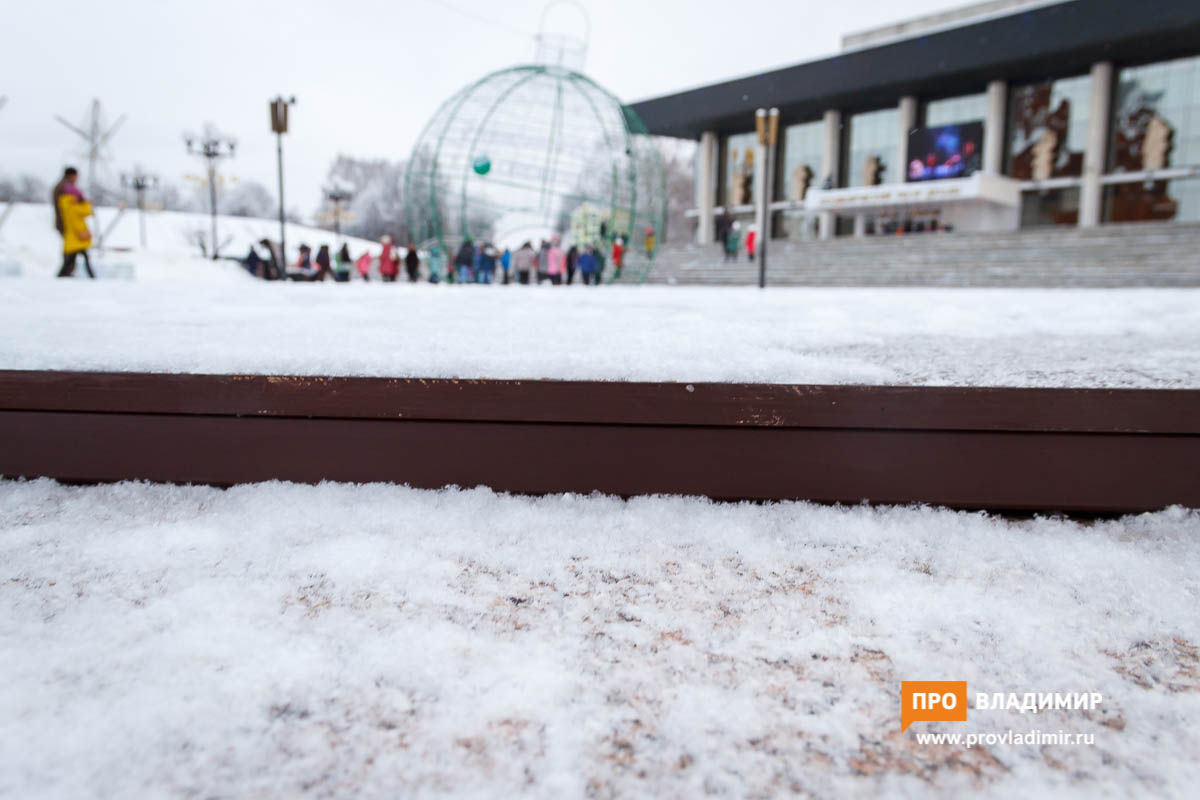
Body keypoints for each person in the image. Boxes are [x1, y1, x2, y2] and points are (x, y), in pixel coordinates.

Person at [53, 167, 95, 278]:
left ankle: (66, 273)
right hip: (71, 229)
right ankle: (65, 273)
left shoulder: (61, 188)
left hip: (68, 227)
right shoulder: (67, 191)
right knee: (73, 254)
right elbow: (79, 213)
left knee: (73, 254)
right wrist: (84, 203)